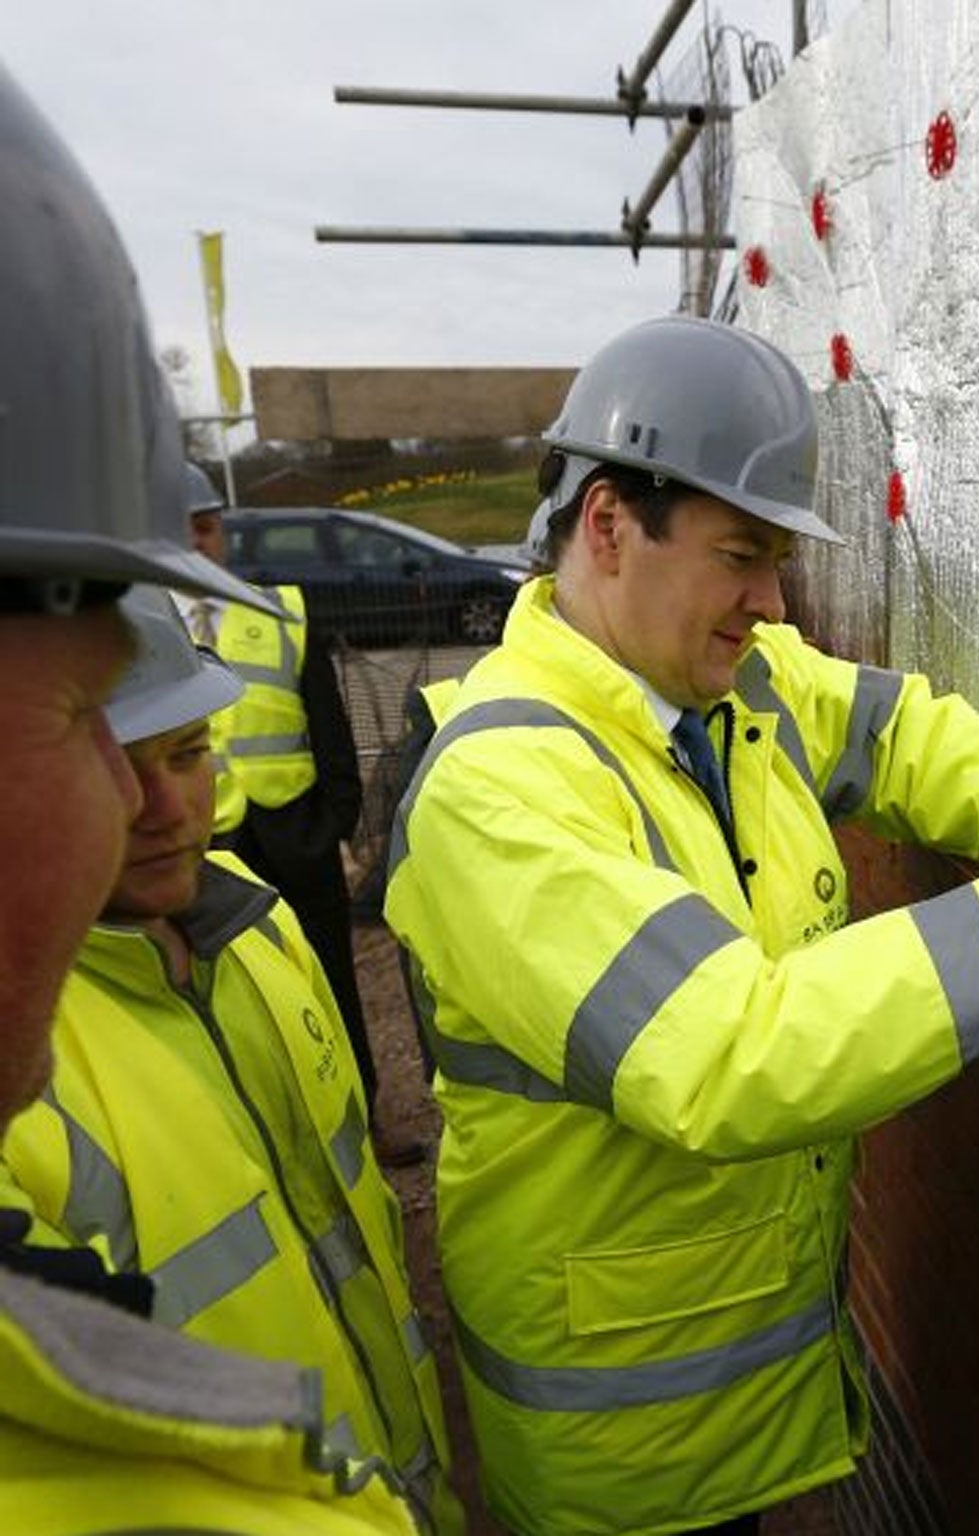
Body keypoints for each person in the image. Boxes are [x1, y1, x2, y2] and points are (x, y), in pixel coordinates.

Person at [386, 314, 979, 1535]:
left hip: (731, 1417)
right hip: (620, 1463)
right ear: (608, 525)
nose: (772, 603)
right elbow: (728, 1053)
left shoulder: (729, 688)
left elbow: (904, 736)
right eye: (742, 554)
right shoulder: (497, 792)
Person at [0, 60, 418, 1533]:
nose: (134, 796)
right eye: (72, 711)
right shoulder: (50, 1107)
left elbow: (341, 1207)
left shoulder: (258, 939)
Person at [1, 587, 464, 1533]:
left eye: (188, 753)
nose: (166, 808)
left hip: (395, 1484)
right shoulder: (22, 1061)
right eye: (118, 769)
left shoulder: (256, 916)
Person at [178, 465, 405, 1160]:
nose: (198, 540)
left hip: (296, 835)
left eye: (208, 525)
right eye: (181, 527)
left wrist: (331, 823)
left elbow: (329, 727)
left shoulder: (284, 610)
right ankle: (275, 1140)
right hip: (209, 846)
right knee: (232, 995)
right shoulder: (136, 627)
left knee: (333, 978)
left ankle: (365, 1120)